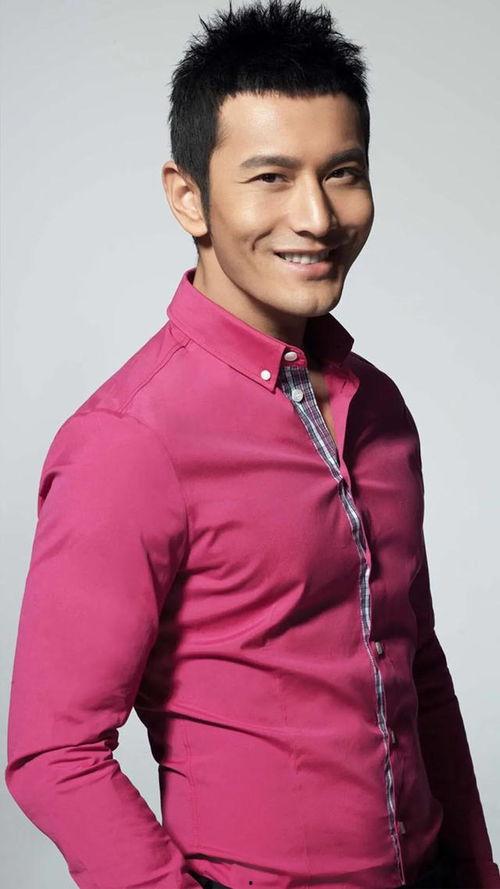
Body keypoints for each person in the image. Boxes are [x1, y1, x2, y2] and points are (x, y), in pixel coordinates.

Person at [4, 1, 499, 888]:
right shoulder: (129, 442)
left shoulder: (382, 410)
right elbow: (54, 750)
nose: (316, 215)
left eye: (342, 172)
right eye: (271, 177)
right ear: (187, 196)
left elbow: (416, 664)